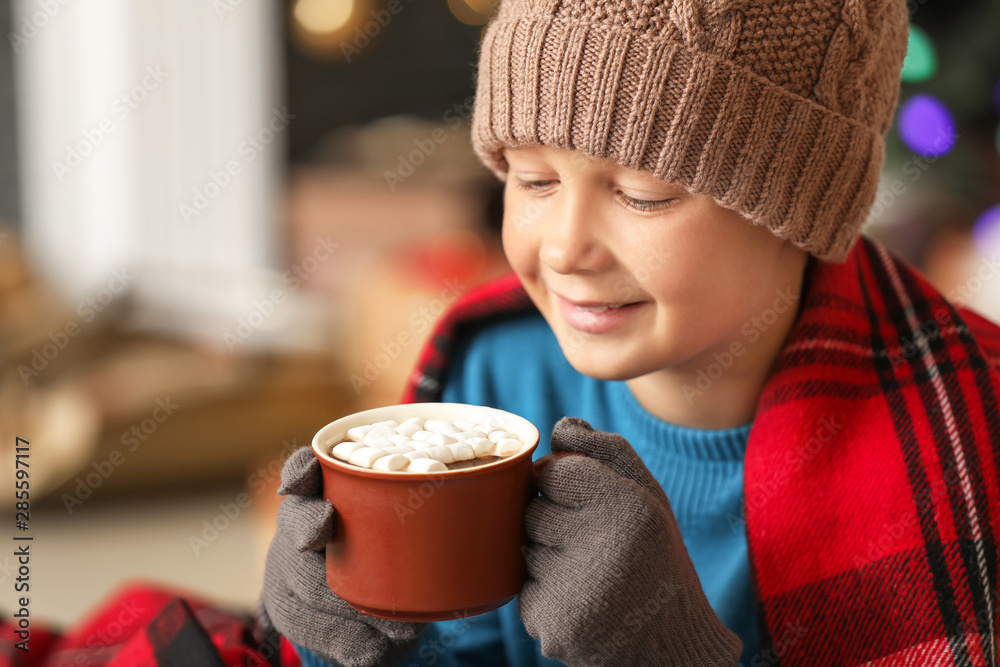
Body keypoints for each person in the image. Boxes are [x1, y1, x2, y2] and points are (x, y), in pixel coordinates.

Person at [260, 0, 1000, 665]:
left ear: (797, 211)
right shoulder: (495, 374)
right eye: (532, 179)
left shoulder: (964, 433)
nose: (563, 250)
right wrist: (348, 632)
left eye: (644, 194)